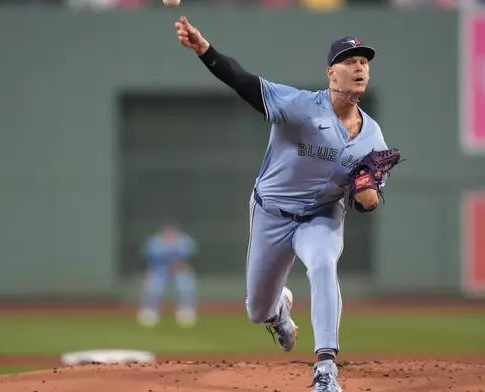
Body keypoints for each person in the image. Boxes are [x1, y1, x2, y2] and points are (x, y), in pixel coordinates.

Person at [175, 16, 389, 392]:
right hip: (271, 214)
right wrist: (204, 50)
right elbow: (243, 82)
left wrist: (368, 196)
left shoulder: (373, 136)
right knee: (256, 309)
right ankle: (278, 313)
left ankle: (325, 369)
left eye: (364, 61)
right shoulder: (301, 106)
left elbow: (367, 201)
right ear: (331, 73)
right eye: (350, 60)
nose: (359, 67)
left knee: (323, 264)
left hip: (322, 216)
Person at [136, 225, 198, 329]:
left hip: (179, 270)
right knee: (152, 287)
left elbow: (188, 258)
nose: (170, 234)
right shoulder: (153, 242)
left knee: (186, 286)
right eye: (167, 232)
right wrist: (146, 273)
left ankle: (185, 312)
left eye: (172, 232)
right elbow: (147, 259)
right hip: (158, 270)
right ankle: (150, 312)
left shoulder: (185, 241)